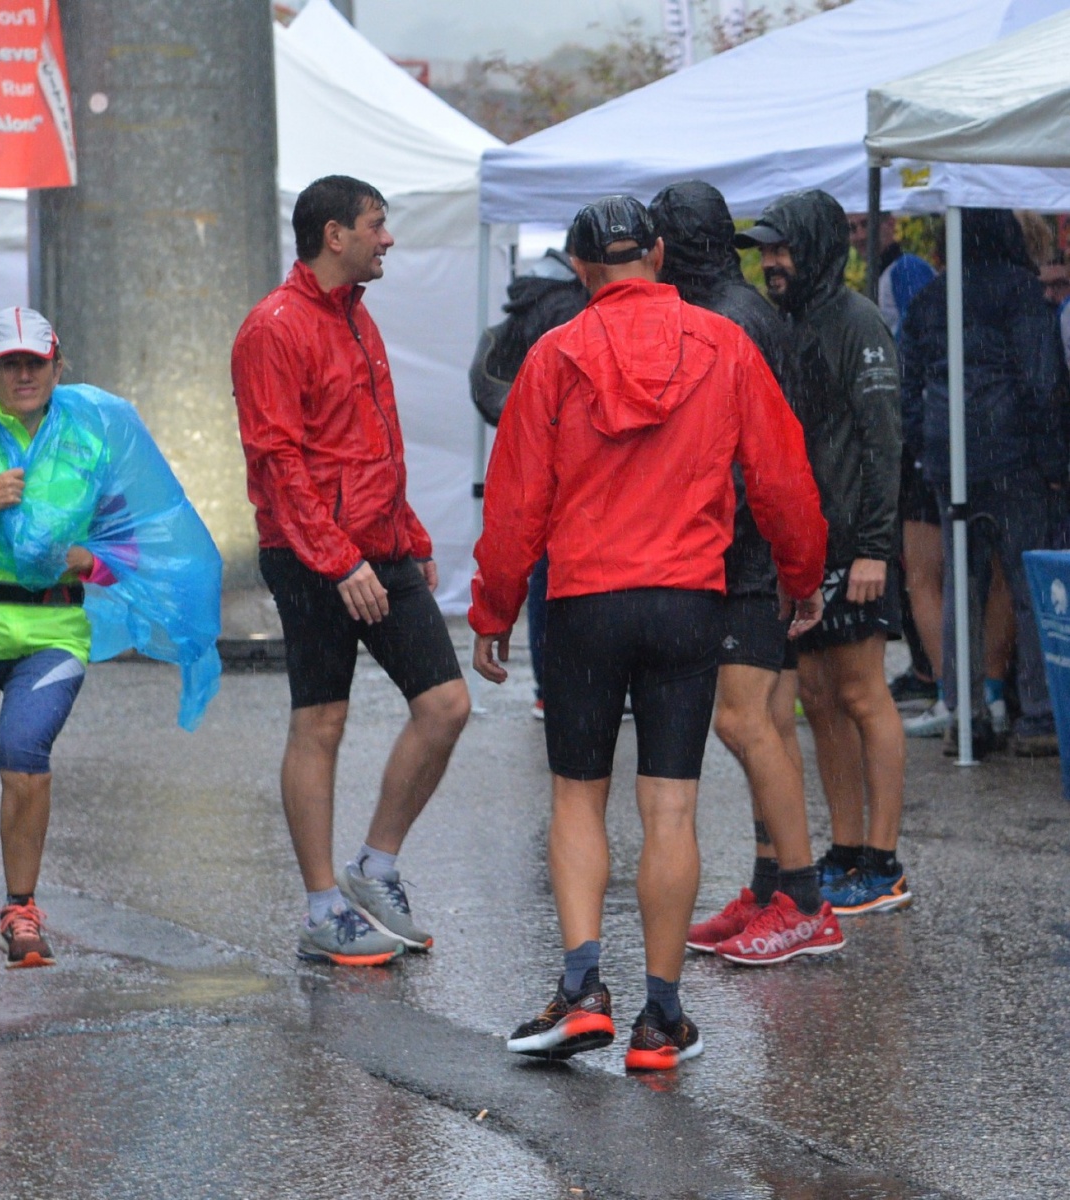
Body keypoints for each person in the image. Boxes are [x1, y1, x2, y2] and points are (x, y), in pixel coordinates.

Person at [471, 196, 826, 1070]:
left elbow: (516, 501)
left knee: (576, 796)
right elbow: (781, 477)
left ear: (582, 267)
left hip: (584, 602)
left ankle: (582, 988)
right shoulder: (723, 344)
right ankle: (660, 1020)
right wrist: (800, 578)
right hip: (686, 600)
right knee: (669, 805)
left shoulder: (554, 354)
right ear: (658, 255)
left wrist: (493, 609)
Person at [0, 307, 222, 1000]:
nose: (23, 374)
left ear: (58, 366)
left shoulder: (90, 438)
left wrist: (91, 562)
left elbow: (132, 547)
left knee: (24, 753)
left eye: (36, 362)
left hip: (52, 629)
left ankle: (20, 909)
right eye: (9, 364)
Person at [232, 174, 472, 967]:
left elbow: (376, 444)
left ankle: (375, 866)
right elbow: (276, 461)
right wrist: (336, 560)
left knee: (445, 705)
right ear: (333, 235)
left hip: (379, 546)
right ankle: (320, 908)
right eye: (376, 224)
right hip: (310, 556)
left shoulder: (356, 316)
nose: (387, 238)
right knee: (321, 722)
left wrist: (410, 533)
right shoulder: (272, 327)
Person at [650, 181, 844, 968]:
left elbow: (748, 450)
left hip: (747, 547)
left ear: (674, 247)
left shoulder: (726, 318)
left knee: (743, 721)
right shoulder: (734, 307)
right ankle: (772, 888)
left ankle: (802, 901)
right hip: (757, 540)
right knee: (764, 718)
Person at [737, 189, 910, 915]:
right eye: (765, 251)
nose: (770, 262)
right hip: (805, 548)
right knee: (817, 698)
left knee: (862, 693)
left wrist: (873, 548)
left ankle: (883, 863)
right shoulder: (786, 319)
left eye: (782, 249)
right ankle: (844, 850)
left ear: (815, 248)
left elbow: (883, 440)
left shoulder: (857, 321)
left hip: (854, 544)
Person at [900, 209, 1068, 759]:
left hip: (950, 459)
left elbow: (908, 390)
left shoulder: (930, 298)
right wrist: (1053, 464)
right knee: (1027, 587)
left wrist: (928, 448)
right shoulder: (1020, 291)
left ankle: (964, 713)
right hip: (1015, 456)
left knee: (961, 588)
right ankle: (1039, 715)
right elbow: (1042, 381)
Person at [469, 250, 588, 720]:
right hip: (567, 453)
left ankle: (547, 686)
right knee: (555, 569)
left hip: (532, 441)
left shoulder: (532, 294)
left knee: (542, 566)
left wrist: (494, 611)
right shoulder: (570, 304)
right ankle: (560, 686)